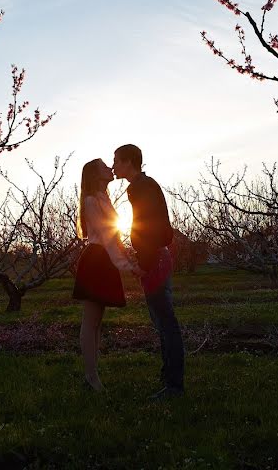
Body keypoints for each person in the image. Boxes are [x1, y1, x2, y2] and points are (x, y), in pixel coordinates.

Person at [112, 144, 185, 399]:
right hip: (157, 256)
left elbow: (148, 226)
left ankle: (174, 386)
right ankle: (169, 376)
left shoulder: (140, 188)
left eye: (117, 161)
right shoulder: (144, 185)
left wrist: (144, 262)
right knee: (162, 321)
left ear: (130, 161)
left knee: (166, 323)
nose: (114, 166)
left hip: (154, 259)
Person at [73, 158, 136, 392]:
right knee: (90, 321)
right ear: (94, 174)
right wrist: (126, 264)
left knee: (97, 322)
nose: (110, 168)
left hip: (104, 260)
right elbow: (108, 237)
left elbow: (115, 236)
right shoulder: (91, 201)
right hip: (97, 260)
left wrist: (127, 258)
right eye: (103, 166)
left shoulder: (102, 199)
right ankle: (91, 376)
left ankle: (92, 375)